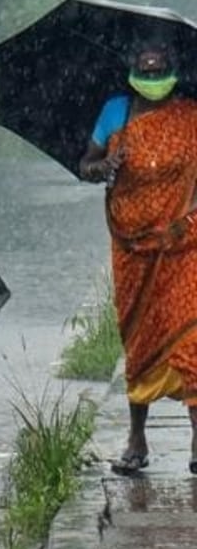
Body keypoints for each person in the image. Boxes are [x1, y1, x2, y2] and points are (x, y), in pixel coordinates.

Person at [79, 44, 197, 477]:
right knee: (139, 338)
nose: (153, 77)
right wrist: (104, 165)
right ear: (130, 72)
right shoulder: (115, 112)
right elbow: (86, 165)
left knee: (191, 335)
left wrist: (186, 223)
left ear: (175, 72)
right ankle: (136, 437)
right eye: (145, 70)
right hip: (130, 247)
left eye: (160, 70)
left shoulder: (191, 117)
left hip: (183, 244)